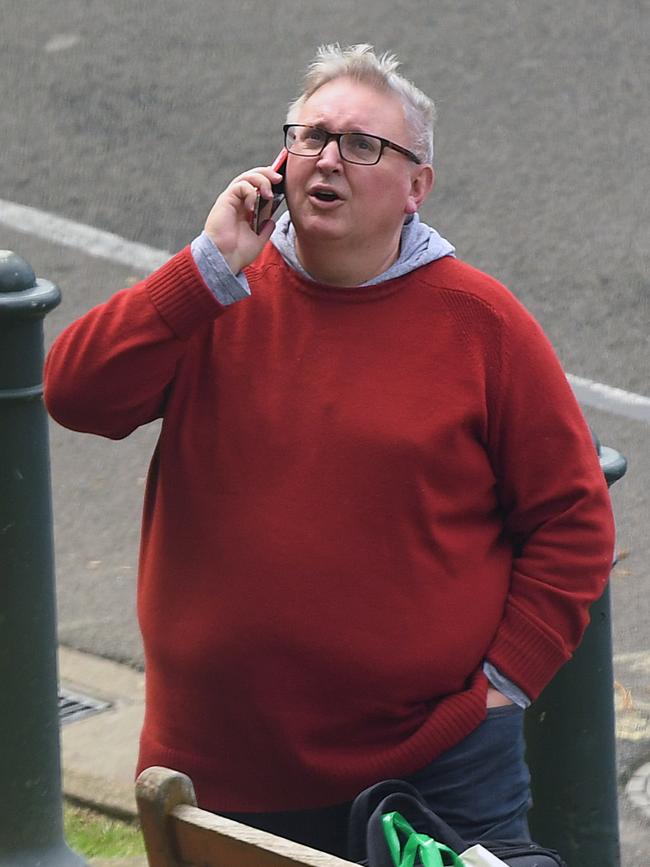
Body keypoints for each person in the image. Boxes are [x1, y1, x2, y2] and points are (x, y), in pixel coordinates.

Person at [44, 44, 615, 858]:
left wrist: (504, 682)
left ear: (416, 186)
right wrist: (205, 267)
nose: (329, 158)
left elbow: (573, 517)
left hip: (435, 768)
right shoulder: (217, 294)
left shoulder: (483, 324)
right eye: (310, 136)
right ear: (281, 161)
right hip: (219, 769)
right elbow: (74, 394)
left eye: (362, 143)